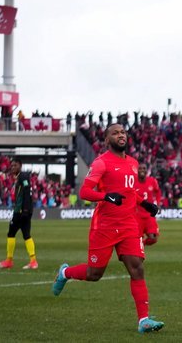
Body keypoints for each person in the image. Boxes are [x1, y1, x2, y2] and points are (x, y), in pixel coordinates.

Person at [51, 124, 164, 334]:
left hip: (129, 224)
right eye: (115, 133)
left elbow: (129, 192)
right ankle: (64, 273)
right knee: (95, 274)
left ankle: (144, 320)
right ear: (107, 140)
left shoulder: (132, 162)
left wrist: (144, 203)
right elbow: (85, 191)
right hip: (105, 225)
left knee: (137, 267)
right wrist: (105, 196)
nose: (121, 135)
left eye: (123, 132)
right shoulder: (101, 163)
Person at [0, 158, 38, 269]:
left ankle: (9, 260)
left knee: (11, 233)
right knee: (26, 235)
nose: (12, 167)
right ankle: (33, 261)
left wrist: (25, 210)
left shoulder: (23, 176)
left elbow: (27, 191)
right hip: (25, 211)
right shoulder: (20, 177)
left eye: (14, 165)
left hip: (20, 211)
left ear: (20, 165)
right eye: (12, 165)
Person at [135, 163, 162, 246]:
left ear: (147, 170)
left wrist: (158, 203)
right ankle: (138, 246)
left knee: (153, 238)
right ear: (137, 170)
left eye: (144, 168)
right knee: (136, 238)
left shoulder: (152, 181)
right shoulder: (133, 182)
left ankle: (142, 244)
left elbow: (157, 192)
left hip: (149, 215)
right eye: (140, 168)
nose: (142, 170)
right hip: (136, 215)